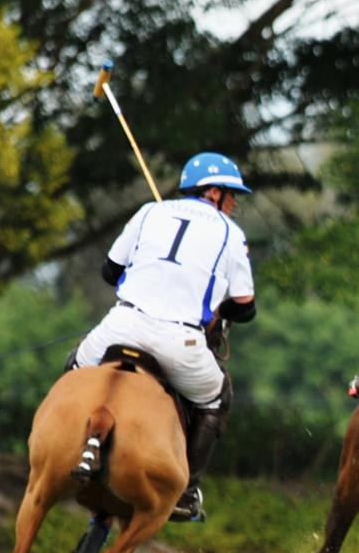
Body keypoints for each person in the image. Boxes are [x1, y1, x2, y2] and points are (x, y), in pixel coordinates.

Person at [73, 152, 257, 522]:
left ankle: (67, 441)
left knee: (75, 366)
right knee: (218, 396)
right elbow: (245, 306)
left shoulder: (149, 212)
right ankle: (186, 493)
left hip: (121, 326)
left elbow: (110, 272)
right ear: (212, 193)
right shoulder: (230, 233)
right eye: (231, 194)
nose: (234, 203)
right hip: (179, 343)